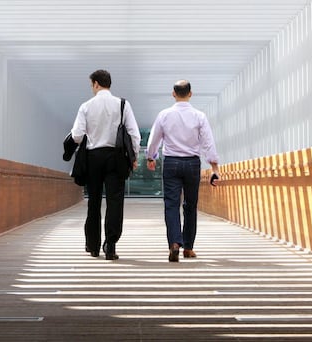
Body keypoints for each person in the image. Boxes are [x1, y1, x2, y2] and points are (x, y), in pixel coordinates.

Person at [146, 80, 220, 262]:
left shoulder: (164, 114)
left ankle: (174, 243)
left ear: (173, 94)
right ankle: (188, 248)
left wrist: (150, 156)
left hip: (171, 162)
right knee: (190, 205)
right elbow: (208, 141)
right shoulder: (199, 116)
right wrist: (214, 166)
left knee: (171, 204)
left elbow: (154, 138)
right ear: (190, 94)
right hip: (192, 164)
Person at [71, 69, 141, 260]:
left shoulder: (86, 106)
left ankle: (93, 246)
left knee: (93, 201)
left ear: (95, 84)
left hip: (93, 157)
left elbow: (77, 135)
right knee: (115, 202)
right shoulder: (122, 104)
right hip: (116, 157)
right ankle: (110, 245)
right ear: (109, 83)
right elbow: (134, 134)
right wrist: (133, 157)